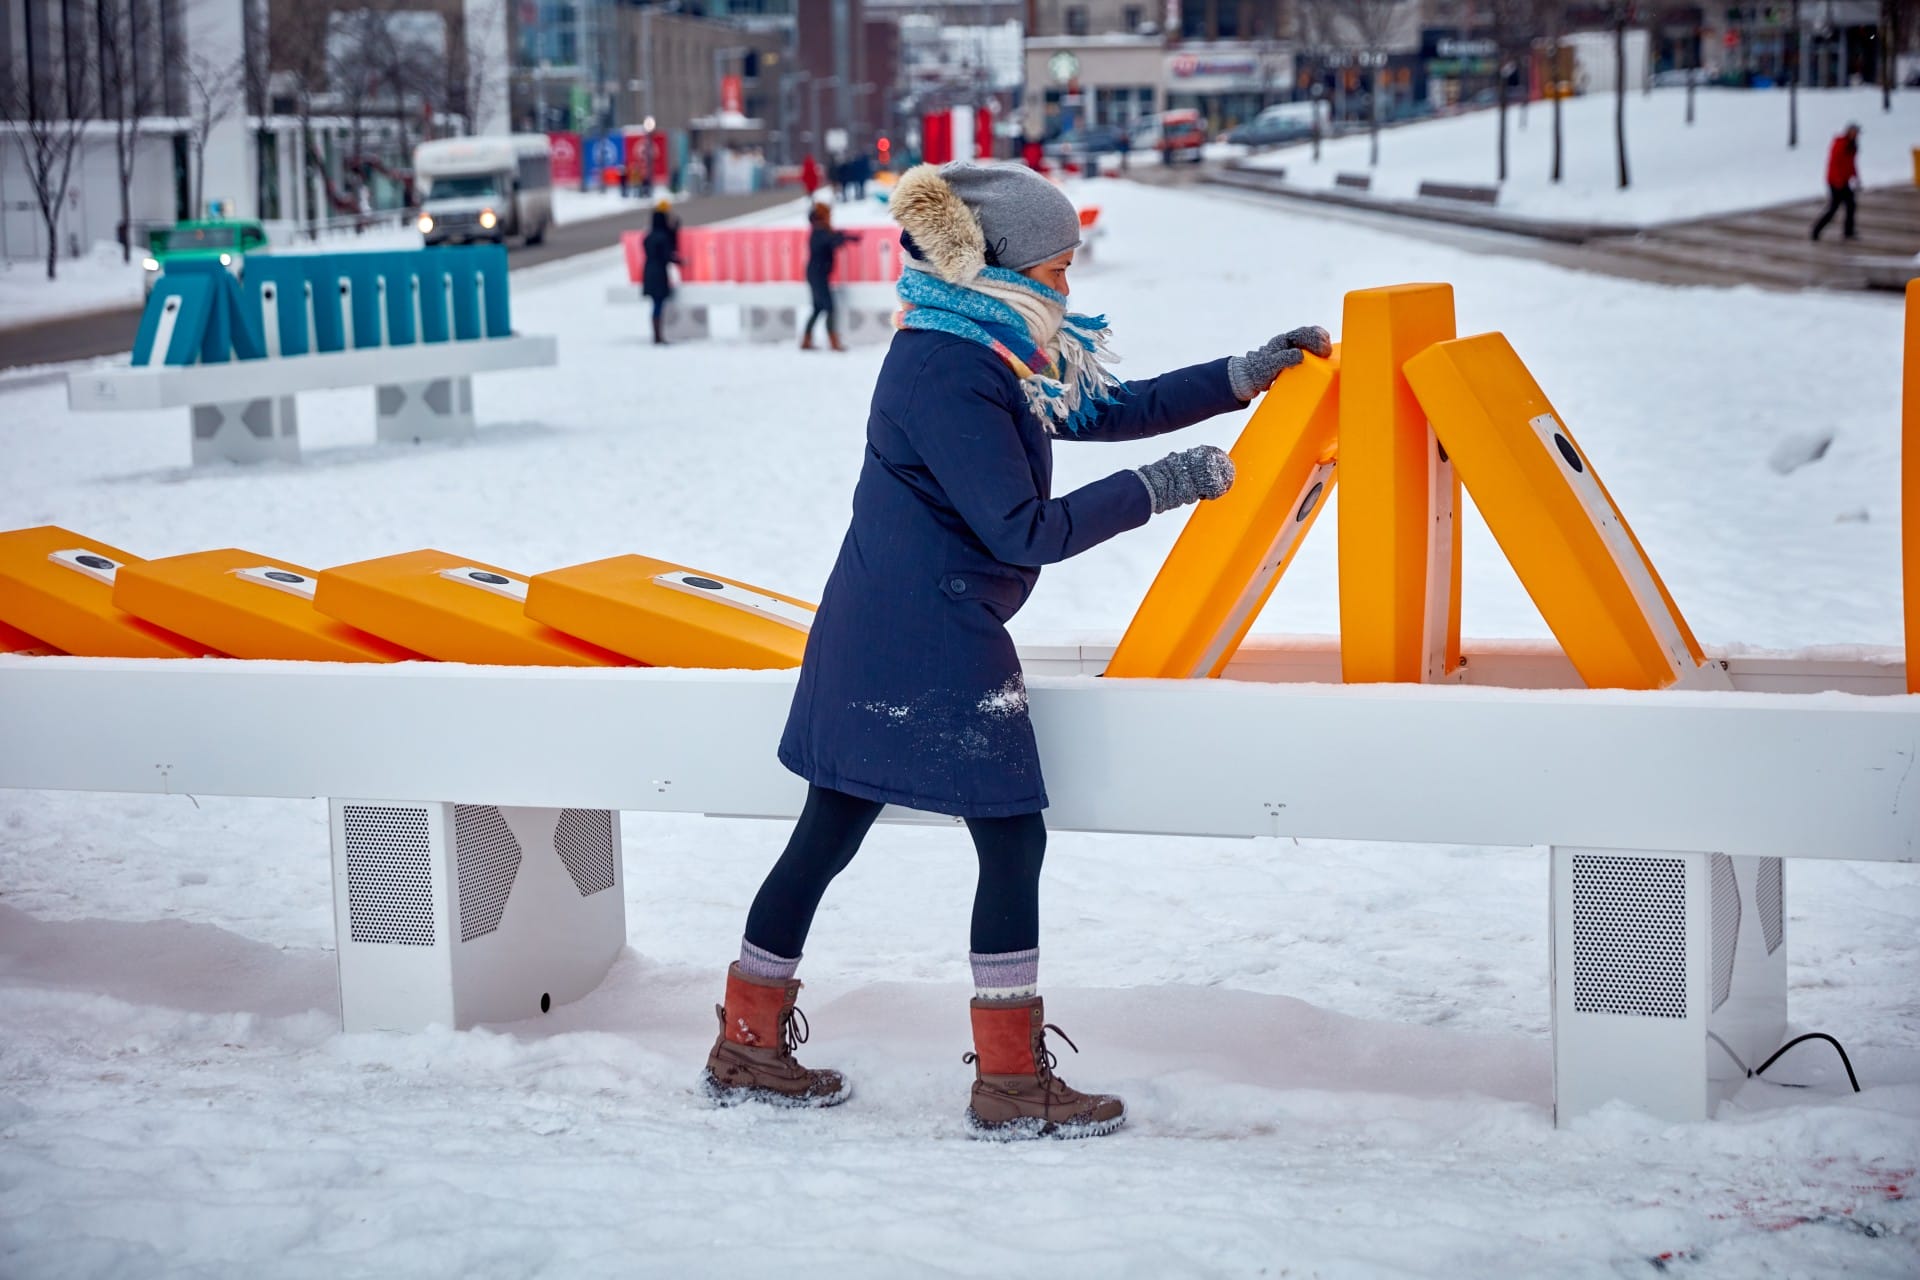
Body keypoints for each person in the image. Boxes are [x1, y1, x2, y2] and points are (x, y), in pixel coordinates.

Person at [700, 161, 1331, 1139]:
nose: (1068, 286)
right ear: (998, 266)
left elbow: (1098, 408)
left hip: (885, 624)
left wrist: (1239, 377)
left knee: (829, 832)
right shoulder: (950, 370)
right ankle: (1006, 1080)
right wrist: (1159, 487)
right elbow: (1021, 530)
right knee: (1004, 836)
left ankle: (748, 1043)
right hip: (927, 635)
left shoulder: (984, 345)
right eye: (1057, 268)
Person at [802, 201, 854, 352]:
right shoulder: (819, 231)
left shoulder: (819, 230)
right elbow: (831, 241)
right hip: (818, 275)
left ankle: (806, 340)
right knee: (829, 307)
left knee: (818, 308)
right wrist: (842, 238)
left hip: (816, 274)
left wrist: (844, 237)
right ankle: (833, 341)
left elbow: (832, 239)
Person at [1811, 122, 1862, 242]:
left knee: (1851, 205)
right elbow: (1835, 163)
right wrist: (1838, 181)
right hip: (1835, 181)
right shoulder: (1840, 144)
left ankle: (1848, 231)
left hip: (1844, 181)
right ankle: (1816, 231)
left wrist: (1856, 177)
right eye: (1855, 132)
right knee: (1833, 208)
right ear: (1849, 132)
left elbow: (1851, 163)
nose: (1856, 135)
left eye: (1857, 133)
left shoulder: (1852, 145)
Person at [641, 202, 680, 346]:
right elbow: (668, 255)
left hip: (648, 272)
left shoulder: (648, 237)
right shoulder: (663, 237)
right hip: (659, 273)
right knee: (658, 305)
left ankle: (656, 335)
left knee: (655, 304)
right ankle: (658, 336)